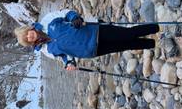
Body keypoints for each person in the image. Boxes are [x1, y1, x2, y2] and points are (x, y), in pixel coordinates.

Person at [14, 9, 160, 70]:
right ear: (30, 43)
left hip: (95, 31)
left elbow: (67, 13)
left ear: (30, 29)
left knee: (128, 34)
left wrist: (75, 18)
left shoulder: (47, 21)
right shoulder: (46, 50)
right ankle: (155, 43)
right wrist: (69, 63)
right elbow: (64, 56)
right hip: (91, 50)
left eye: (27, 33)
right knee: (126, 45)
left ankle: (157, 28)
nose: (29, 36)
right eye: (27, 39)